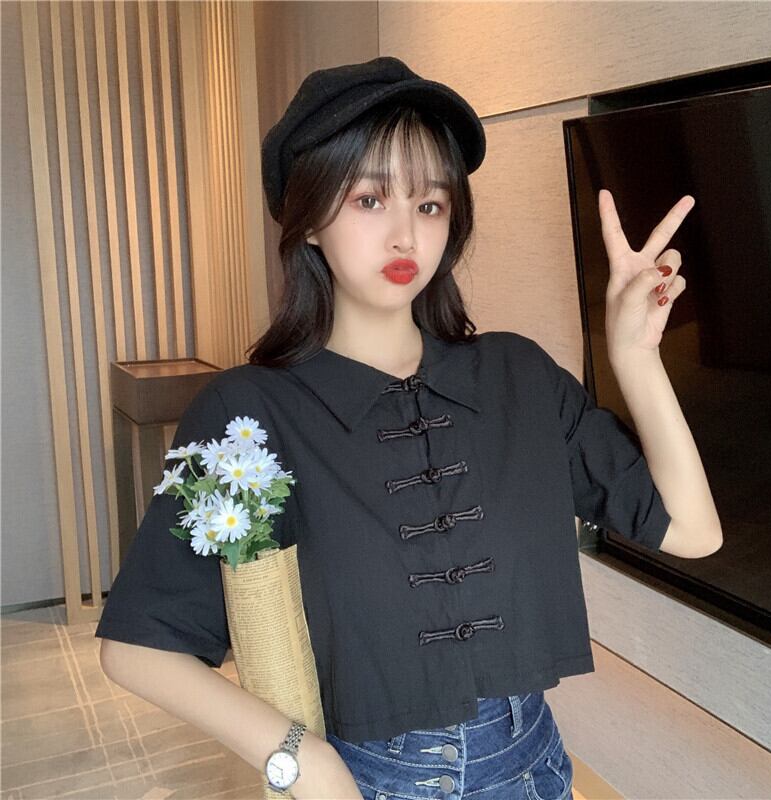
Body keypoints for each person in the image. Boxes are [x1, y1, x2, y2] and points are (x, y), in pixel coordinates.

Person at [96, 56, 721, 800]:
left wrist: (635, 356)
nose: (406, 237)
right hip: (370, 782)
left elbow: (692, 531)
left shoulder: (517, 376)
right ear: (309, 220)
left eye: (429, 205)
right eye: (369, 200)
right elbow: (137, 645)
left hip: (536, 769)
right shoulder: (244, 417)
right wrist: (301, 760)